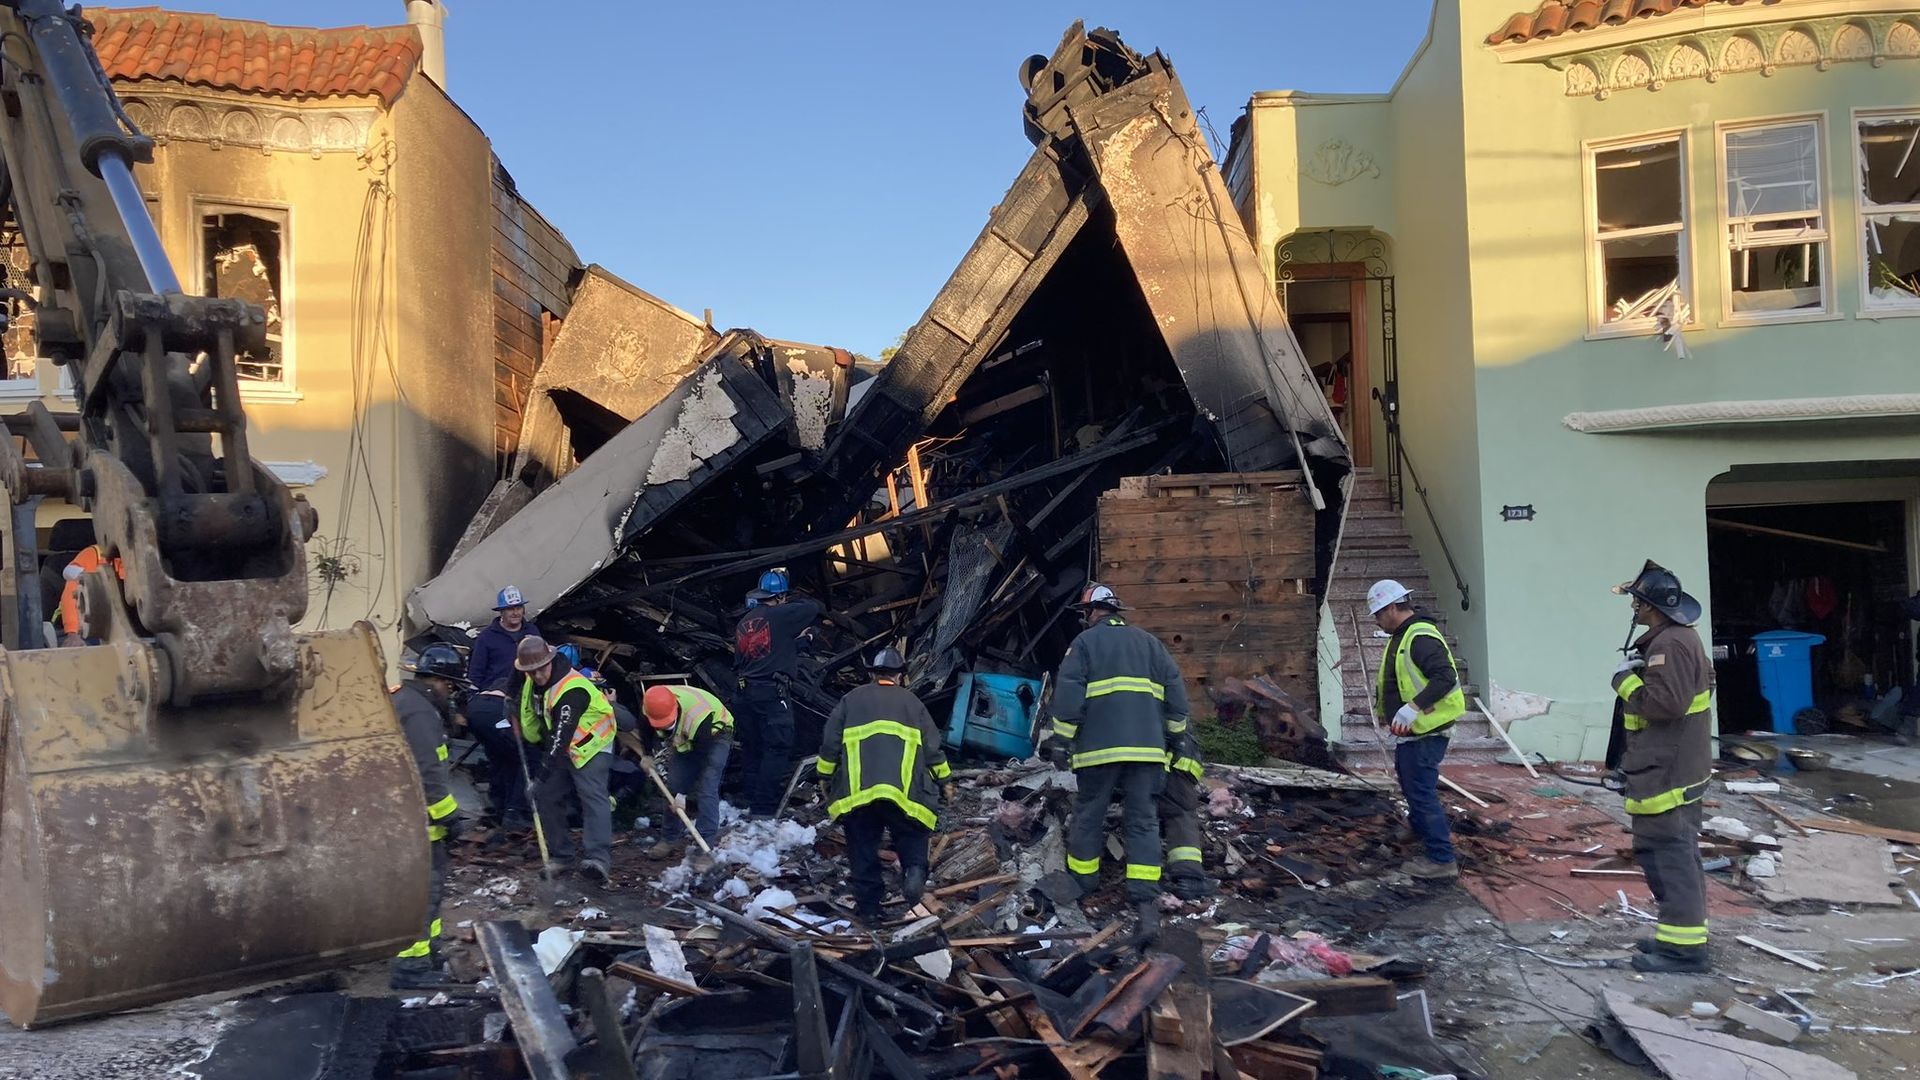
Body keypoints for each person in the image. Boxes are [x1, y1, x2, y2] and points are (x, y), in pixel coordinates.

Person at [1043, 583, 1188, 932]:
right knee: (1143, 819)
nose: (1085, 620)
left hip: (1098, 751)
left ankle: (1084, 880)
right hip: (1148, 751)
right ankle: (1143, 890)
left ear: (1093, 612)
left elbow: (1069, 694)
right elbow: (1177, 696)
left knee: (1089, 815)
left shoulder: (1084, 645)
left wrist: (1061, 741)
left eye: (1085, 614)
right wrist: (1176, 739)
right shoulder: (1151, 644)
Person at [1611, 560, 1715, 974]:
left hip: (1666, 771)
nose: (1633, 608)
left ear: (1651, 607)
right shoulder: (1679, 639)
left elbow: (1664, 706)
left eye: (1636, 601)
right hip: (1675, 765)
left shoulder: (1669, 645)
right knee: (1677, 855)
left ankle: (1684, 951)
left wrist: (1626, 682)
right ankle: (1679, 935)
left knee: (1668, 856)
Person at [816, 648, 950, 924]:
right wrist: (944, 780)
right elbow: (933, 748)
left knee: (862, 847)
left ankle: (870, 909)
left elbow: (830, 742)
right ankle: (913, 871)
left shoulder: (851, 700)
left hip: (859, 793)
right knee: (912, 833)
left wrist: (825, 776)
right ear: (901, 675)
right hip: (903, 793)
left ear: (874, 674)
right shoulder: (913, 704)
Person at [1368, 579, 1464, 882]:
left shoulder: (1420, 637)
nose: (1377, 620)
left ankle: (1441, 859)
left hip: (1428, 727)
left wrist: (1413, 708)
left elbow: (1445, 677)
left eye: (1379, 613)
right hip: (1415, 730)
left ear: (1394, 607)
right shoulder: (1404, 635)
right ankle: (1418, 827)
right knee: (1410, 782)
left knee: (1421, 791)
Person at [391, 643, 469, 987]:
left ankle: (429, 949)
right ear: (438, 681)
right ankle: (411, 968)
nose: (450, 695)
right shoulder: (422, 713)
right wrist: (450, 817)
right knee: (423, 892)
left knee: (430, 893)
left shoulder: (405, 702)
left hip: (405, 817)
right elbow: (428, 773)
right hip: (417, 823)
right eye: (450, 687)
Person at [513, 635, 617, 885]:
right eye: (532, 672)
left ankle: (598, 859)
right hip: (566, 745)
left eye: (541, 670)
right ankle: (561, 855)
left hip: (592, 744)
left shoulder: (572, 691)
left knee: (592, 796)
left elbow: (560, 741)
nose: (537, 676)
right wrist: (510, 700)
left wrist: (540, 778)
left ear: (550, 661)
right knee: (546, 795)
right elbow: (515, 681)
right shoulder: (533, 675)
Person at [732, 568, 824, 817]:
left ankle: (750, 800)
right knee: (778, 747)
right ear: (781, 597)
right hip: (770, 694)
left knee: (753, 747)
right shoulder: (780, 615)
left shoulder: (744, 623)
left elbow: (760, 653)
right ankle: (764, 809)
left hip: (743, 693)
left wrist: (798, 644)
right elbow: (812, 607)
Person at [466, 586, 541, 827]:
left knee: (510, 757)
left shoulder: (532, 632)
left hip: (525, 702)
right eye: (510, 609)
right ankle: (511, 812)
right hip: (497, 704)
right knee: (519, 754)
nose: (515, 613)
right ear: (501, 612)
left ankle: (505, 810)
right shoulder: (487, 638)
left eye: (518, 607)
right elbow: (475, 676)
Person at [642, 683, 734, 863]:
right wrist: (646, 754)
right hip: (686, 737)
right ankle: (668, 839)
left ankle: (705, 847)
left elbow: (700, 757)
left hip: (715, 735)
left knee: (707, 787)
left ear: (675, 709)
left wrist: (683, 796)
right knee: (673, 786)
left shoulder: (699, 717)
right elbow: (644, 726)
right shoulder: (651, 705)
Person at [1157, 729, 1216, 901]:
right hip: (1175, 759)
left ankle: (1149, 877)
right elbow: (1177, 719)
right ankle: (1188, 879)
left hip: (1155, 758)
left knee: (1145, 817)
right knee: (1181, 815)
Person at [57, 543, 124, 646]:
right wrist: (73, 634)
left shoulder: (140, 558)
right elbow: (73, 586)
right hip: (91, 632)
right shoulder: (95, 554)